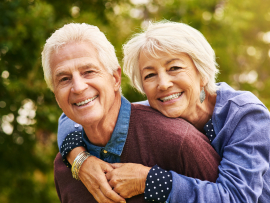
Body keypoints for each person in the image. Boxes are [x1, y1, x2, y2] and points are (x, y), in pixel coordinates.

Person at [58, 21, 270, 203]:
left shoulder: (245, 115)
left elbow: (236, 198)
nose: (164, 84)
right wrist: (81, 160)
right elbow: (71, 115)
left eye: (174, 68)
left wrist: (149, 180)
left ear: (202, 72)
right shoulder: (156, 108)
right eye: (150, 75)